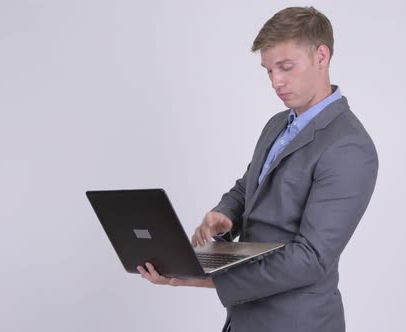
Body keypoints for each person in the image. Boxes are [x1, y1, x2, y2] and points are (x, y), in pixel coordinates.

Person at [137, 6, 378, 332]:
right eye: (268, 71)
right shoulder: (277, 124)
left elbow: (311, 260)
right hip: (245, 319)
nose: (276, 82)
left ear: (322, 56)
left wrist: (201, 278)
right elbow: (247, 186)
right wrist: (225, 216)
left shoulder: (349, 146)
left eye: (286, 67)